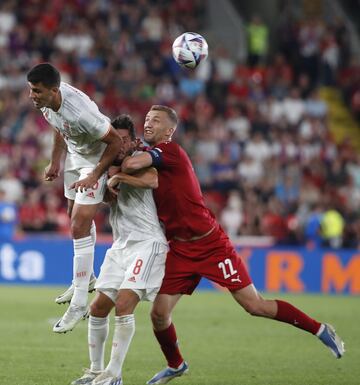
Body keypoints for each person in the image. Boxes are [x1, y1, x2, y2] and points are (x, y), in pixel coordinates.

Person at [120, 105, 345, 384]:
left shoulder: (171, 152)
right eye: (147, 119)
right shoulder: (159, 163)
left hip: (211, 245)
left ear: (170, 130)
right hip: (180, 248)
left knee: (255, 305)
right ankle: (176, 365)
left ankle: (321, 330)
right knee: (158, 314)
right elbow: (146, 178)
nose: (148, 123)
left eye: (155, 120)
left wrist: (122, 166)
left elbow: (132, 165)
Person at [72, 115, 168, 385]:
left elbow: (152, 181)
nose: (120, 144)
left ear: (133, 140)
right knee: (99, 307)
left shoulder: (141, 157)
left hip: (147, 243)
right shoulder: (104, 166)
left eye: (125, 139)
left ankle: (113, 375)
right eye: (116, 139)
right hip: (121, 244)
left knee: (124, 304)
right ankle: (94, 371)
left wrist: (119, 178)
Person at [27, 63, 122, 333]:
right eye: (31, 90)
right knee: (73, 215)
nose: (32, 95)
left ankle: (80, 302)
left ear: (54, 91)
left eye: (37, 91)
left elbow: (114, 141)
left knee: (78, 224)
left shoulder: (82, 113)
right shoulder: (46, 104)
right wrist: (55, 160)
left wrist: (95, 175)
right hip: (75, 155)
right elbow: (59, 127)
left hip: (96, 157)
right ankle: (87, 277)